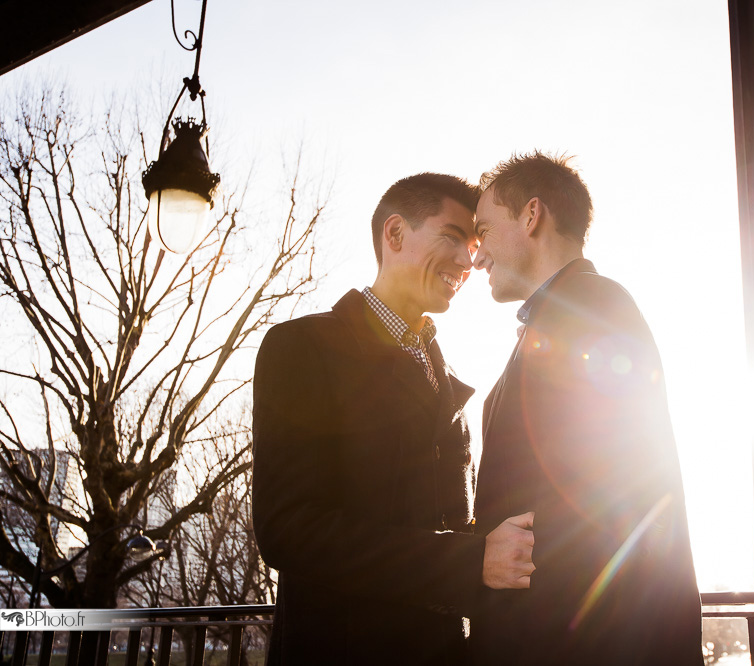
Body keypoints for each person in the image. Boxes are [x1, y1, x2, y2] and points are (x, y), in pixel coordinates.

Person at [252, 173, 534, 665]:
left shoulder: (446, 376)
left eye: (474, 245)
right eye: (452, 237)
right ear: (395, 234)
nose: (468, 261)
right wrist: (469, 562)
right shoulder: (301, 347)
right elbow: (288, 530)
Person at [471, 153, 703, 664]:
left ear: (531, 216)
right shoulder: (565, 314)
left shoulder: (591, 309)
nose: (477, 255)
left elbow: (616, 499)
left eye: (483, 230)